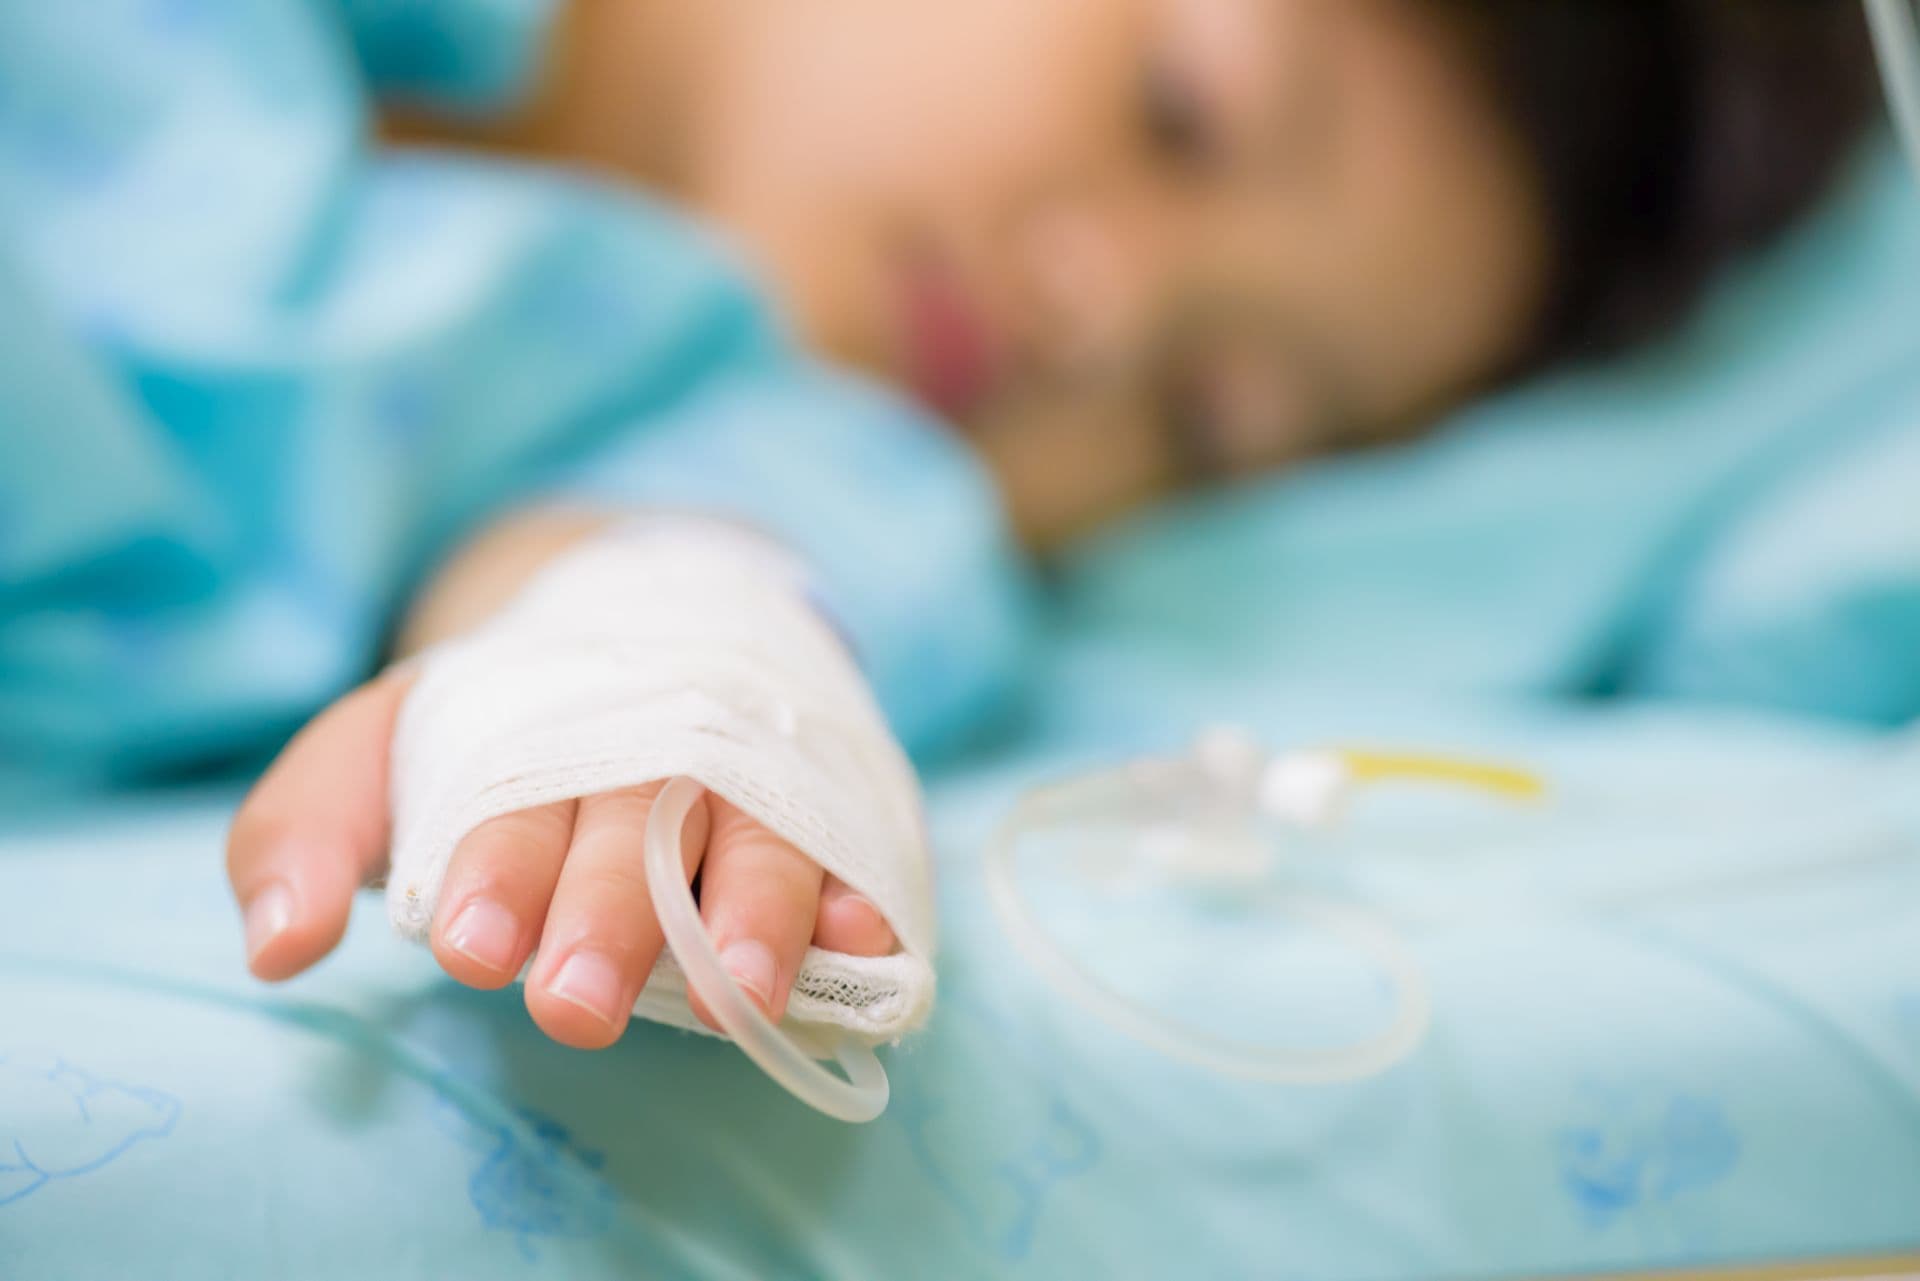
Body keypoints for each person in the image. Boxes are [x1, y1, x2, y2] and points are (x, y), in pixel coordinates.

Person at [0, 0, 1872, 1053]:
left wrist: (646, 693)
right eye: (1181, 113)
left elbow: (676, 591)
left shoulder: (793, 455)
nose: (1109, 316)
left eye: (1217, 412)